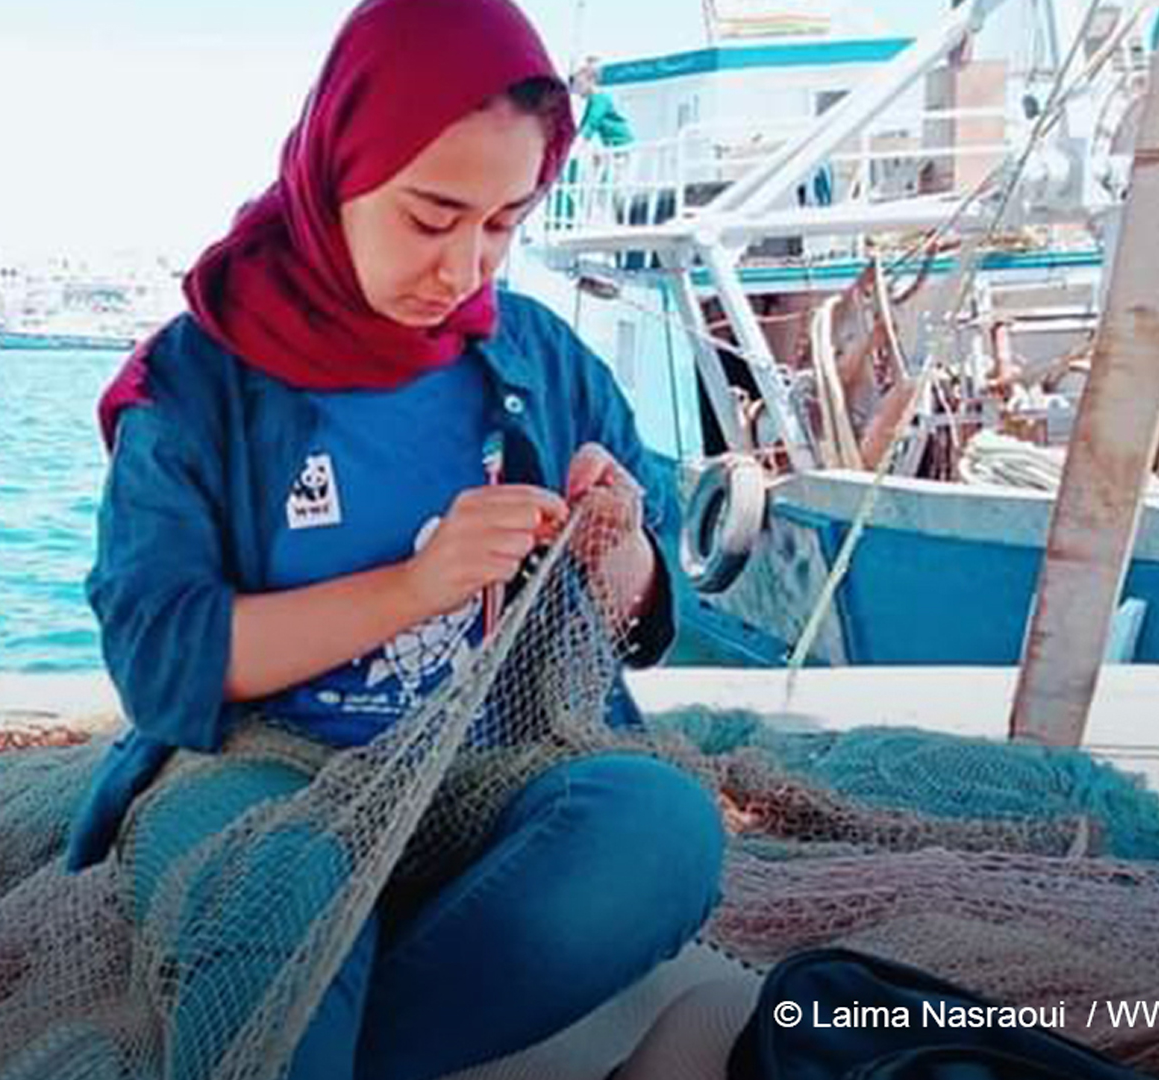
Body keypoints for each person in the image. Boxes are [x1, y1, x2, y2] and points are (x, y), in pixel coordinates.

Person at [68, 1, 725, 1077]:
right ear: (338, 172)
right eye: (431, 218)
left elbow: (641, 615)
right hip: (261, 772)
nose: (466, 267)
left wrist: (621, 548)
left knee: (661, 829)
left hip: (491, 763)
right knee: (282, 880)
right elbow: (158, 657)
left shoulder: (545, 362)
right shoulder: (196, 379)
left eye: (503, 224)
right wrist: (417, 585)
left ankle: (318, 1037)